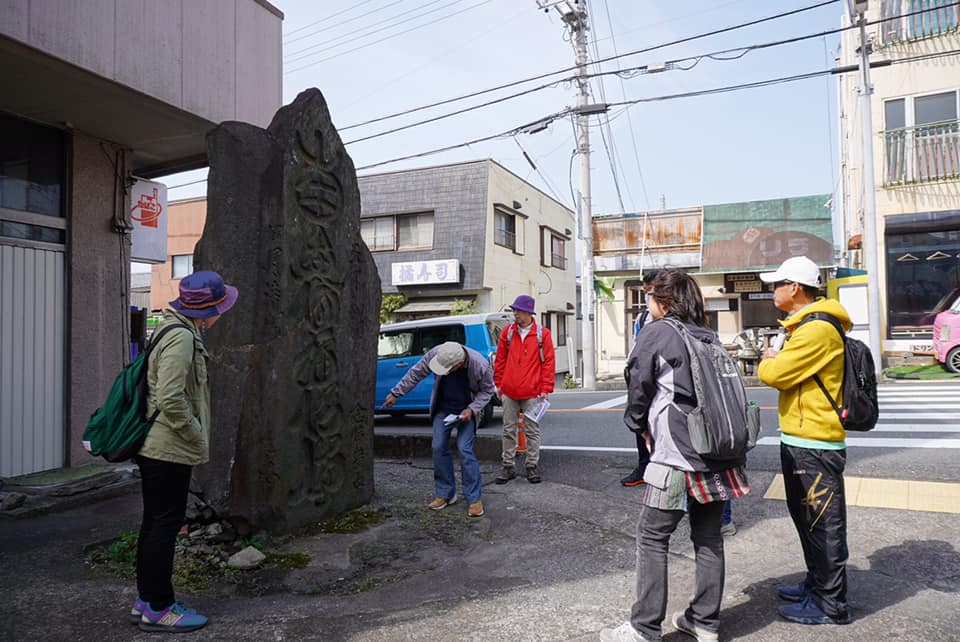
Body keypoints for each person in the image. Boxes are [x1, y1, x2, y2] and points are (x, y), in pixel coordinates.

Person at [601, 270, 750, 642]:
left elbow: (638, 382)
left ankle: (644, 627)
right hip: (718, 452)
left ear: (662, 301)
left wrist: (638, 424)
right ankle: (704, 621)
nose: (646, 304)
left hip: (677, 454)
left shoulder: (659, 332)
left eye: (649, 297)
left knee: (652, 536)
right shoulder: (708, 334)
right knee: (709, 538)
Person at [133, 270, 238, 633]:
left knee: (154, 524)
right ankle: (160, 608)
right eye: (221, 305)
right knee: (164, 527)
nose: (224, 311)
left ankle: (147, 600)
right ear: (208, 309)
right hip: (168, 448)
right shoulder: (180, 338)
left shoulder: (171, 328)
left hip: (157, 446)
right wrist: (195, 434)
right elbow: (170, 397)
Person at [757, 256, 853, 626]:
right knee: (808, 520)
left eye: (776, 284)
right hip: (803, 436)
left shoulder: (816, 330)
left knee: (824, 523)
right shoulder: (806, 326)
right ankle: (816, 585)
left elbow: (776, 374)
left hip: (815, 442)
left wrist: (770, 359)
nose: (773, 291)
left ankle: (831, 604)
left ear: (794, 288)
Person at [383, 341, 495, 518]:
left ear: (458, 364)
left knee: (464, 450)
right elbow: (416, 373)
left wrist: (472, 409)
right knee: (437, 447)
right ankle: (446, 493)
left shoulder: (479, 364)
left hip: (467, 410)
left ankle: (474, 498)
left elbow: (488, 391)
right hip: (443, 409)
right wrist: (397, 393)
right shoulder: (438, 352)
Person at [493, 295, 556, 485]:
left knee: (532, 431)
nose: (515, 314)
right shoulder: (508, 332)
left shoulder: (541, 334)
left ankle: (531, 466)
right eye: (514, 310)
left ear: (529, 312)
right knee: (508, 430)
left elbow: (549, 363)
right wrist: (498, 384)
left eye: (519, 311)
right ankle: (508, 467)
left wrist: (546, 388)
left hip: (532, 391)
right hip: (509, 390)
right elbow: (500, 360)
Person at [622, 271, 658, 487]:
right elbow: (637, 344)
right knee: (640, 422)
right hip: (641, 375)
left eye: (651, 290)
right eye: (645, 290)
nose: (647, 294)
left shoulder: (675, 315)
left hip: (662, 379)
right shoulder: (643, 317)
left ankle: (663, 470)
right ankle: (644, 466)